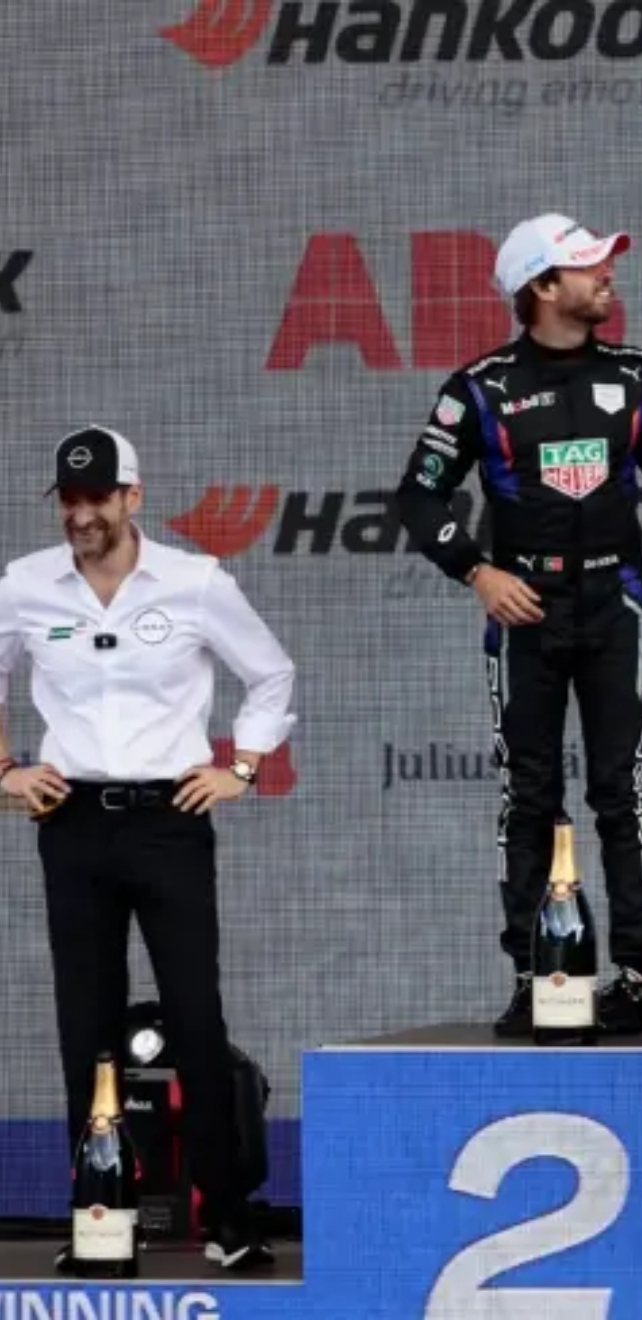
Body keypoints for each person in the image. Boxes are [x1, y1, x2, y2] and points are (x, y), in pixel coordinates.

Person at [393, 213, 642, 1039]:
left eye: (605, 261)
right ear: (542, 288)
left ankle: (636, 977)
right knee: (529, 795)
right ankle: (536, 972)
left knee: (623, 792)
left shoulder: (637, 375)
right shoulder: (480, 386)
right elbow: (417, 495)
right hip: (526, 612)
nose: (606, 275)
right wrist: (477, 570)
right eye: (586, 266)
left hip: (616, 604)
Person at [0, 427, 294, 1270]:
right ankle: (101, 1217)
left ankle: (229, 1218)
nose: (83, 514)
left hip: (170, 820)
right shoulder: (25, 585)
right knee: (83, 1029)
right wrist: (8, 770)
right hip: (73, 822)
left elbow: (271, 675)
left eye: (98, 498)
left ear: (133, 496)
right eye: (70, 499)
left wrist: (238, 765)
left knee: (196, 1022)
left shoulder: (195, 582)